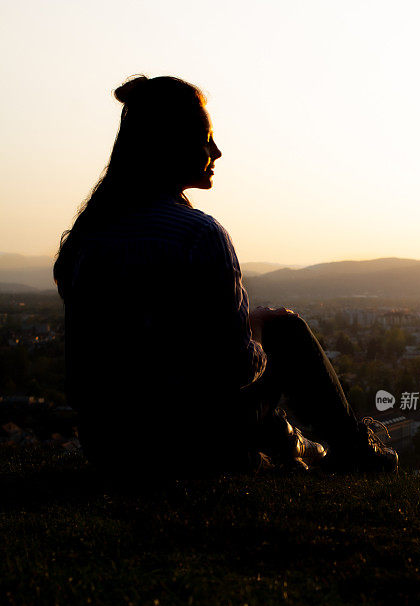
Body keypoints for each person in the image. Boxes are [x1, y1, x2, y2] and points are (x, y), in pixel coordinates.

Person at [53, 75, 397, 479]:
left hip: (109, 446)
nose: (217, 151)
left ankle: (299, 446)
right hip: (190, 445)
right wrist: (259, 328)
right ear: (171, 144)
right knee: (285, 327)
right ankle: (353, 449)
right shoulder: (199, 234)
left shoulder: (88, 235)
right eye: (205, 138)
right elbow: (236, 369)